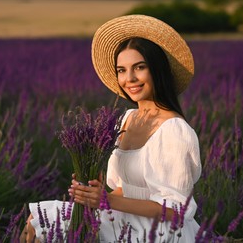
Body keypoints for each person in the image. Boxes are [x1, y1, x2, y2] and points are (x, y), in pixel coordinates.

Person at [21, 14, 202, 242]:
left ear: (157, 70)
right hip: (123, 216)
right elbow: (123, 190)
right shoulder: (127, 119)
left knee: (48, 229)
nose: (130, 79)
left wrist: (105, 201)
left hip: (158, 230)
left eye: (140, 67)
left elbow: (176, 211)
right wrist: (91, 191)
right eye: (122, 70)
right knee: (38, 220)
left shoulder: (174, 130)